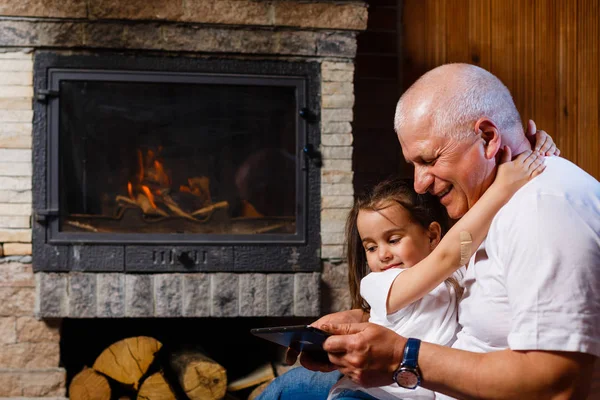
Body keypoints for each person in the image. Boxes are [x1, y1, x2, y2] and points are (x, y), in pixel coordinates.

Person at [311, 63, 600, 399]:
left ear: (489, 138)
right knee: (290, 387)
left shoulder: (543, 210)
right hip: (424, 386)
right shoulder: (493, 205)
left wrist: (399, 357)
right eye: (414, 165)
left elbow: (557, 386)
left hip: (415, 383)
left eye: (429, 159)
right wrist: (355, 319)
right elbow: (451, 261)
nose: (419, 184)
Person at [256, 126, 559, 400]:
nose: (383, 254)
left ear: (432, 236)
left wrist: (533, 148)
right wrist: (503, 188)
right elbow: (449, 254)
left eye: (394, 239)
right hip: (373, 395)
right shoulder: (379, 283)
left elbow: (467, 237)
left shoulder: (455, 270)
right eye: (371, 247)